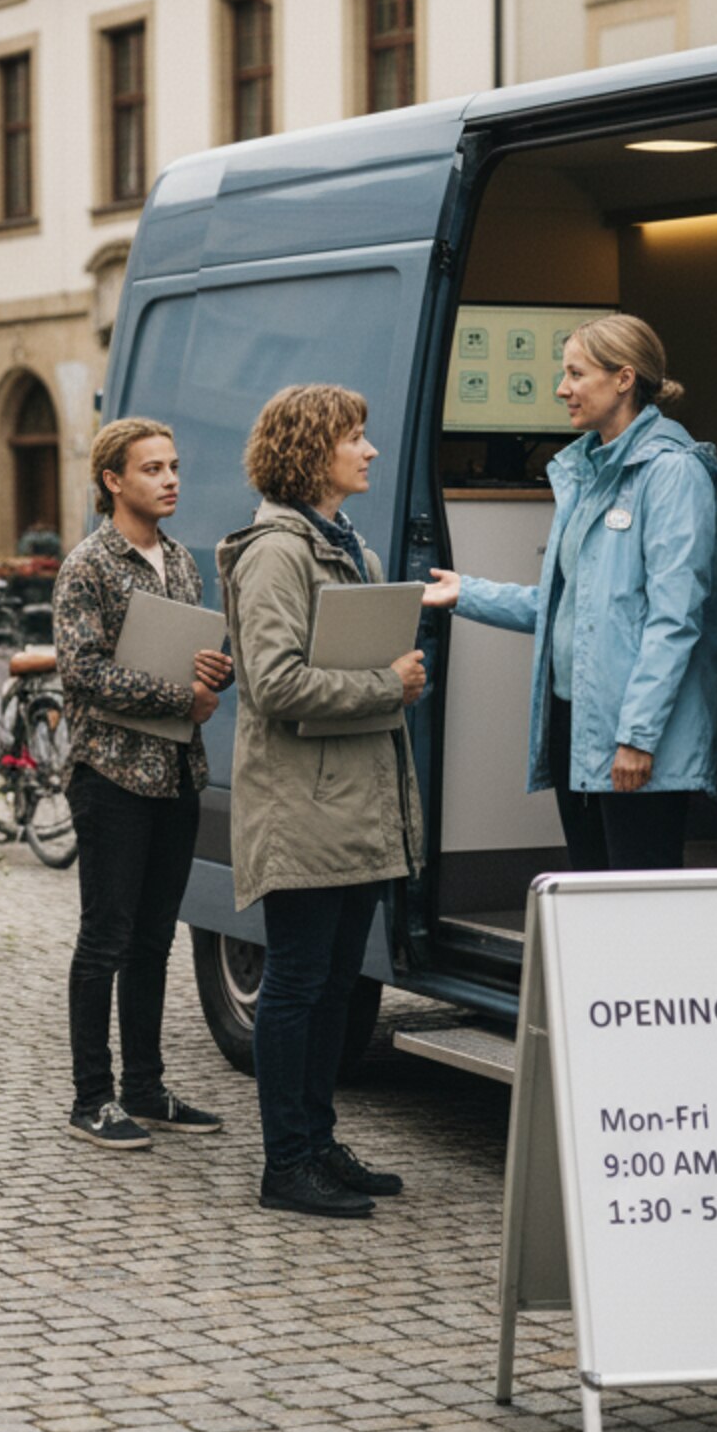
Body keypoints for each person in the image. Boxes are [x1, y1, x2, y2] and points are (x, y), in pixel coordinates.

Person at [217, 385, 425, 1221]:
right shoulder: (277, 551)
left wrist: (394, 675)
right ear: (313, 450)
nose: (370, 451)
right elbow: (272, 684)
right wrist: (388, 682)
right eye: (356, 438)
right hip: (303, 807)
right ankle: (287, 1163)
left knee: (336, 983)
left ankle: (318, 1140)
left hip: (350, 804)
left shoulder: (344, 544)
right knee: (300, 985)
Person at [423, 314, 717, 874]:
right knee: (590, 898)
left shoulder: (673, 473)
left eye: (575, 373)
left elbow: (674, 622)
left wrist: (636, 737)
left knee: (638, 908)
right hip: (578, 724)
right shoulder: (588, 472)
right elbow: (566, 607)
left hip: (635, 737)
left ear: (624, 378)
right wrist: (467, 593)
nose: (562, 389)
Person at [53, 418, 233, 1150]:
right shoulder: (87, 566)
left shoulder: (184, 560)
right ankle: (91, 1098)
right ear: (113, 481)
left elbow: (198, 659)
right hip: (112, 777)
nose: (170, 479)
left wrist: (215, 675)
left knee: (155, 939)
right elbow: (82, 671)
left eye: (174, 466)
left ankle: (146, 1087)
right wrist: (177, 695)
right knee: (106, 939)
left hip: (179, 773)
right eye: (152, 468)